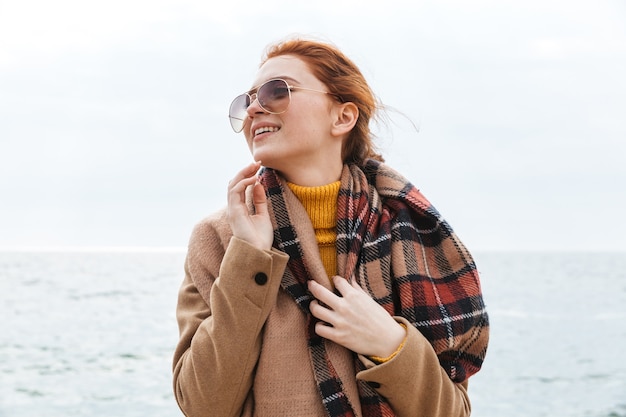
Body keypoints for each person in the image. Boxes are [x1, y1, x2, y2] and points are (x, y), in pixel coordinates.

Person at [172, 37, 489, 417]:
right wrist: (250, 259)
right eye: (247, 100)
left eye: (277, 91)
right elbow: (203, 405)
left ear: (342, 117)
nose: (255, 108)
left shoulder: (412, 236)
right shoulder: (220, 239)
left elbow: (453, 411)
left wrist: (391, 343)